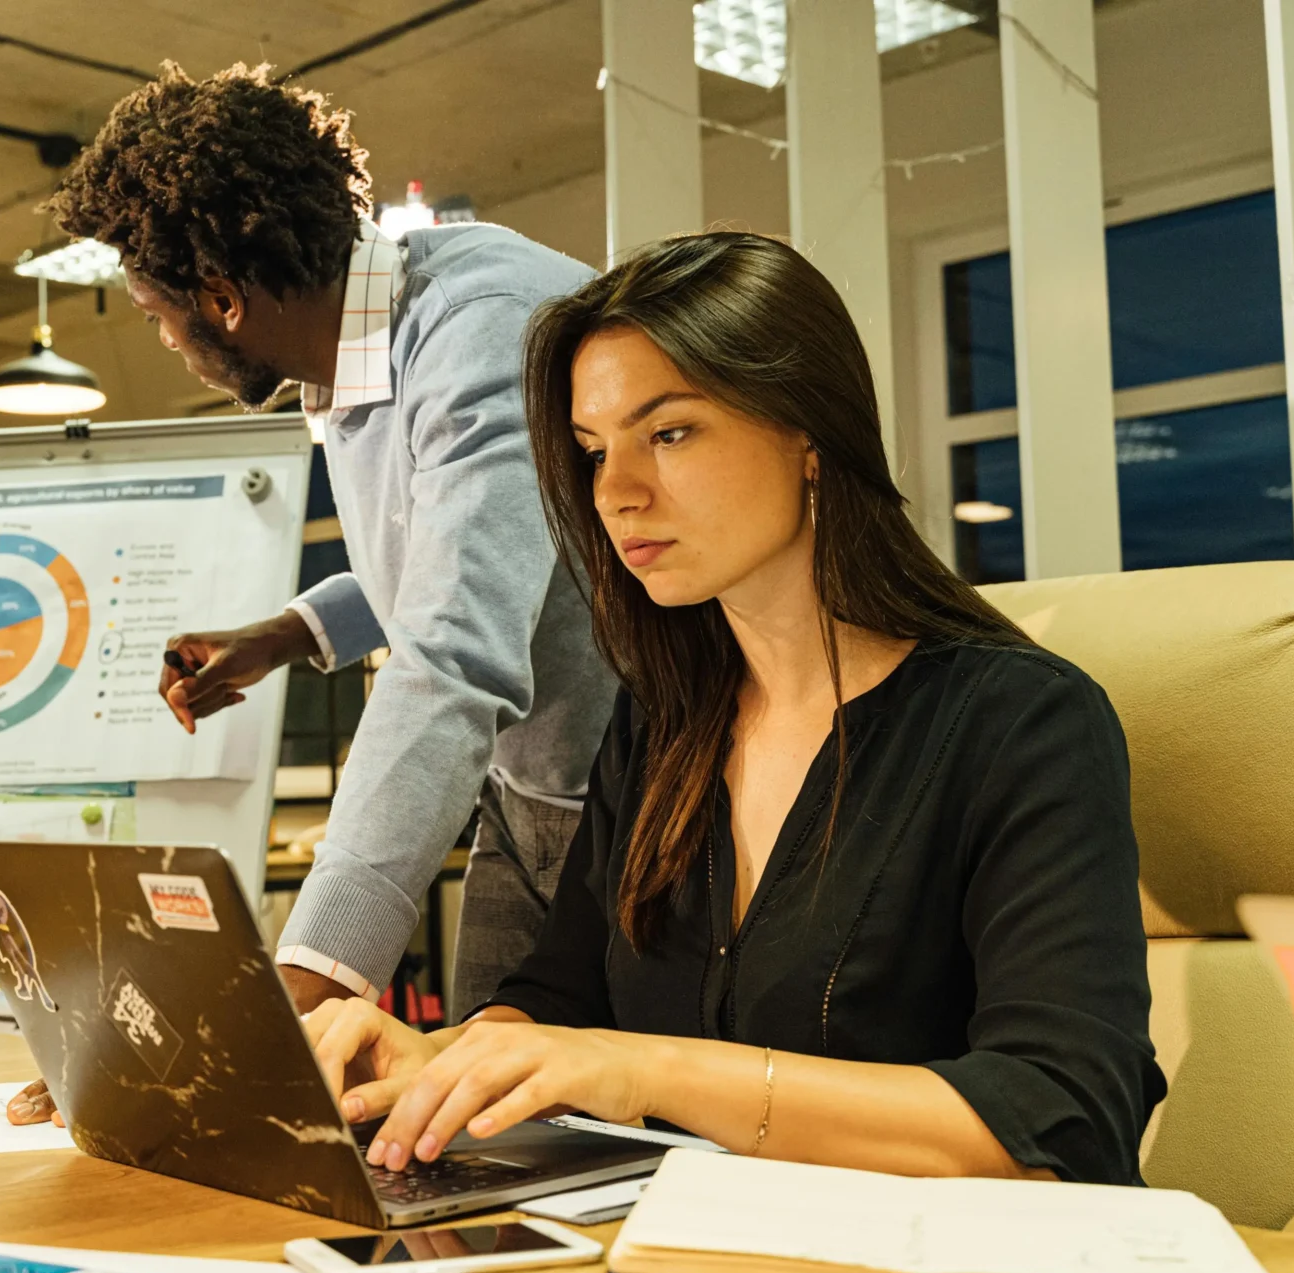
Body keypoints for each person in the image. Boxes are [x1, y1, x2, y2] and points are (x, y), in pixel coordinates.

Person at [296, 233, 1165, 1185]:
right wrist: (446, 1058)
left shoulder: (1025, 725)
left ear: (810, 435)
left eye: (669, 434)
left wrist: (646, 1069)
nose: (617, 494)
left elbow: (1065, 1118)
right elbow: (558, 996)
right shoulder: (662, 725)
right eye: (593, 453)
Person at [42, 63, 615, 1022]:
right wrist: (286, 634)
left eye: (156, 317)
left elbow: (454, 652)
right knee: (484, 1118)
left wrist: (300, 987)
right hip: (530, 793)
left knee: (580, 1140)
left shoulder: (480, 338)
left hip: (639, 804)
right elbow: (481, 544)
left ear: (222, 299)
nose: (165, 344)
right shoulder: (374, 327)